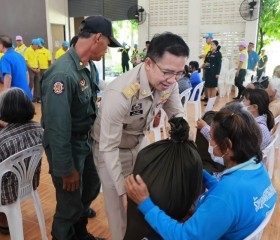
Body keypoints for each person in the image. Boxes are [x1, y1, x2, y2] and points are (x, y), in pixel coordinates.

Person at [126, 102, 277, 240]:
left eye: (212, 138)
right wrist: (201, 172)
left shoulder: (225, 197)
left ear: (228, 145)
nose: (210, 143)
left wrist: (145, 202)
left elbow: (183, 237)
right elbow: (230, 197)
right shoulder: (257, 168)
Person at [92, 32, 189, 240]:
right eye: (168, 72)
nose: (173, 80)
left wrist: (181, 127)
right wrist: (121, 191)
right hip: (112, 151)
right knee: (120, 212)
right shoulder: (120, 94)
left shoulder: (168, 83)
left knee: (146, 201)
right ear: (148, 64)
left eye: (179, 73)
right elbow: (108, 148)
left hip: (140, 143)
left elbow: (177, 112)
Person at [41, 15, 121, 240]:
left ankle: (80, 233)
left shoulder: (87, 67)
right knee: (69, 203)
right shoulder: (62, 75)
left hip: (86, 142)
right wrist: (66, 169)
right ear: (98, 38)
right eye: (108, 44)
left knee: (89, 190)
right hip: (68, 145)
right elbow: (57, 128)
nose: (107, 50)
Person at [0, 88, 43, 235]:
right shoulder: (38, 129)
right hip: (28, 184)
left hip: (6, 192)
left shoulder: (2, 140)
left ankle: (3, 219)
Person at [0, 35, 32, 99]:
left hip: (15, 96)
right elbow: (27, 74)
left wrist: (5, 96)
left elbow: (8, 77)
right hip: (26, 94)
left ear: (2, 45)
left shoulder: (5, 58)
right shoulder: (20, 56)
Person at [24, 39, 41, 103]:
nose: (38, 47)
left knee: (37, 84)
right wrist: (33, 69)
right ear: (34, 44)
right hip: (30, 69)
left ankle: (35, 97)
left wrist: (39, 68)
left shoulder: (37, 51)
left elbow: (38, 60)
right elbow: (26, 62)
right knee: (30, 84)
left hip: (37, 69)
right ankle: (27, 97)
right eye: (37, 45)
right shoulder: (27, 51)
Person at [199, 33, 213, 103]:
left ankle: (209, 99)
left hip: (208, 66)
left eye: (207, 38)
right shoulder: (206, 46)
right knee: (204, 81)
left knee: (207, 82)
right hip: (205, 65)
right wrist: (203, 56)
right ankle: (206, 97)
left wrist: (204, 56)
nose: (206, 40)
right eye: (205, 38)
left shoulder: (212, 46)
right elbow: (206, 55)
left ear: (211, 38)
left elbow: (210, 57)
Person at [37, 38, 52, 103]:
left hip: (45, 69)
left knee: (45, 83)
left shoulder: (47, 51)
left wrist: (49, 69)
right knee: (38, 84)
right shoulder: (35, 51)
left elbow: (49, 61)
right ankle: (39, 97)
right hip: (37, 70)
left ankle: (45, 97)